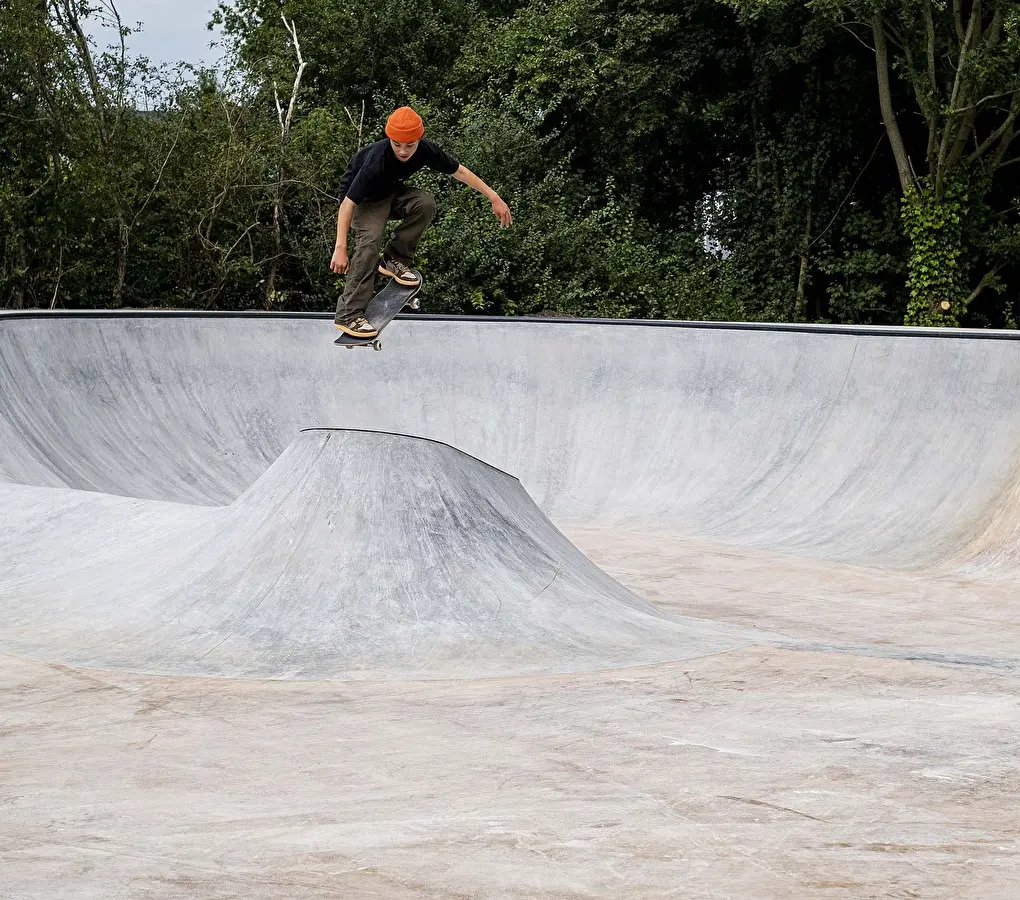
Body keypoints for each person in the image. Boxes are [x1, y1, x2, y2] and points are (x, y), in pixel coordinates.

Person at [330, 106, 513, 337]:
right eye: (397, 145)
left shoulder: (427, 150)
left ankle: (394, 261)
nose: (403, 151)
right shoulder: (375, 161)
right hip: (363, 201)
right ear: (390, 139)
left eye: (410, 145)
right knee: (369, 243)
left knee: (424, 203)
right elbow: (347, 205)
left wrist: (493, 197)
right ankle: (348, 314)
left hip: (391, 192)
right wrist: (340, 248)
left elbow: (460, 172)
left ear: (419, 140)